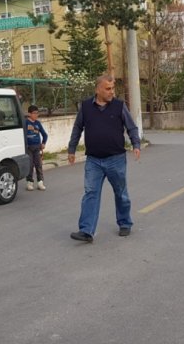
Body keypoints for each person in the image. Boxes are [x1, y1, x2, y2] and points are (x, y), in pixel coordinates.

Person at [68, 74, 141, 243]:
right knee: (90, 193)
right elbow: (77, 128)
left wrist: (136, 144)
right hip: (93, 160)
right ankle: (86, 230)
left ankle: (125, 223)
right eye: (108, 89)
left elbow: (131, 127)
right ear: (98, 89)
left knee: (121, 193)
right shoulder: (86, 107)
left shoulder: (119, 106)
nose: (111, 92)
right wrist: (71, 149)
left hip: (116, 159)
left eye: (113, 88)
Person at [25, 105, 48, 191]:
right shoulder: (25, 123)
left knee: (39, 165)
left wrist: (43, 143)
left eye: (37, 113)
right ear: (29, 113)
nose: (36, 115)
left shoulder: (38, 123)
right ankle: (29, 182)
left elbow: (45, 135)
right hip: (28, 148)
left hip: (37, 147)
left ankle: (40, 182)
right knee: (30, 165)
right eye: (34, 113)